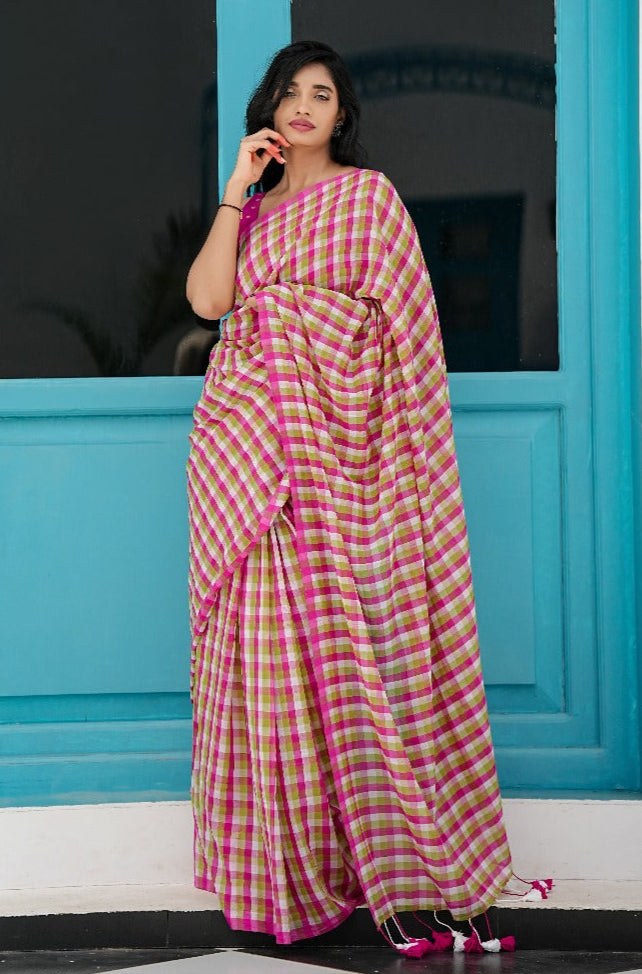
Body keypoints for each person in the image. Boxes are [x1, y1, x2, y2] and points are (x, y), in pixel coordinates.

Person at [185, 39, 525, 956]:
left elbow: (406, 338)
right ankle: (299, 882)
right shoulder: (254, 215)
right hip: (247, 472)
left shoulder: (369, 202)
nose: (303, 106)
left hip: (344, 465)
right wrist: (236, 190)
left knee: (374, 657)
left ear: (342, 116)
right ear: (270, 109)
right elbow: (210, 302)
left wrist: (305, 339)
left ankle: (419, 875)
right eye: (290, 92)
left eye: (322, 95)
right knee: (276, 677)